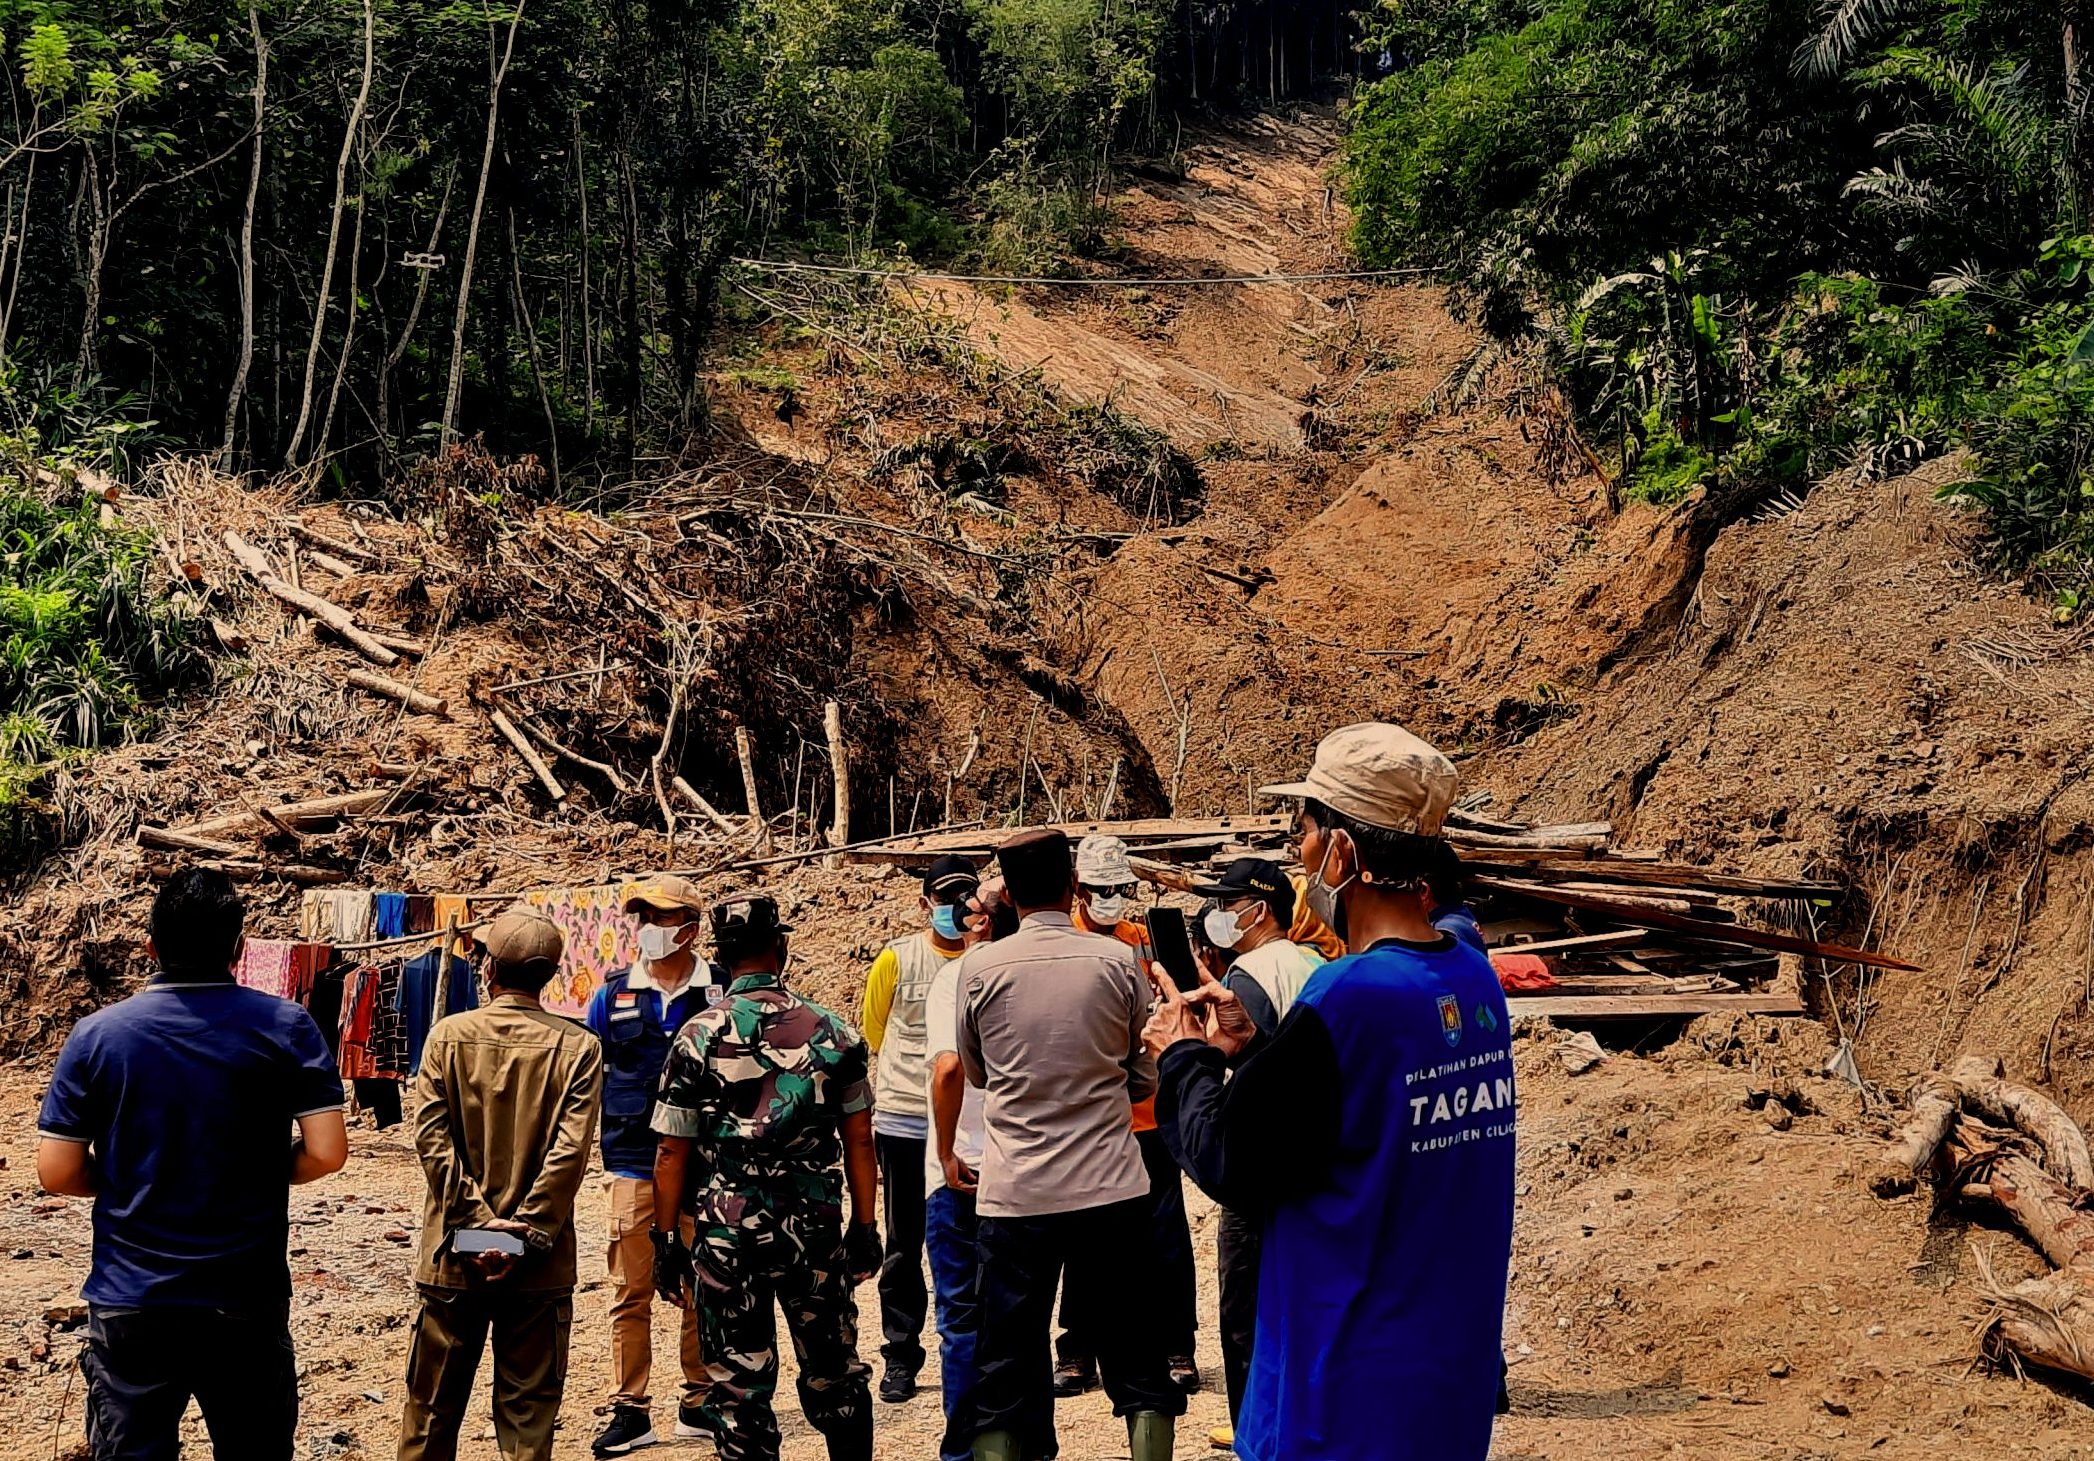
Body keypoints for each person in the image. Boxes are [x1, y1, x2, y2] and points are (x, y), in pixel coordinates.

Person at [1149, 723, 1516, 1461]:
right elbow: (1359, 1115)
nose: (1300, 853)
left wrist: (1184, 1056)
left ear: (1343, 852)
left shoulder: (1349, 997)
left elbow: (1232, 1160)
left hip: (1343, 1394)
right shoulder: (1473, 979)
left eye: (1306, 830)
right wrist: (1258, 1048)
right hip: (1445, 1386)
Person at [36, 867, 349, 1461]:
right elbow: (327, 1152)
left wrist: (130, 1177)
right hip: (245, 1293)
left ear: (150, 946)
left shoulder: (96, 1036)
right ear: (239, 947)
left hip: (132, 1296)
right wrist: (257, 1170)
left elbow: (56, 1172)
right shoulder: (287, 1026)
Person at [956, 827, 1185, 1461]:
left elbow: (976, 1073)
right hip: (1110, 1187)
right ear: (1075, 886)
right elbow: (1144, 1073)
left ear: (1009, 896)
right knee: (1138, 1355)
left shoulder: (978, 967)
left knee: (1004, 1362)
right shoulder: (1116, 961)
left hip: (1015, 1193)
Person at [650, 895, 881, 1461]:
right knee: (835, 1371)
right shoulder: (834, 1032)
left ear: (721, 957)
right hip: (814, 1224)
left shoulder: (697, 1036)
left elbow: (671, 1150)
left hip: (727, 1226)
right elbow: (860, 1140)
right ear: (781, 948)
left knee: (737, 1386)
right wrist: (865, 1226)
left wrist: (665, 1240)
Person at [397, 908, 605, 1461]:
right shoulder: (580, 1048)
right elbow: (571, 1154)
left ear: (488, 969)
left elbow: (431, 1140)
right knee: (528, 1419)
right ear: (551, 975)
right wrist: (522, 1234)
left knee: (430, 1416)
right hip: (539, 1263)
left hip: (453, 1256)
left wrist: (478, 1227)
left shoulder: (447, 1037)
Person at [1183, 858, 1327, 1449]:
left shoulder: (1249, 974)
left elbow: (1253, 1071)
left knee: (1245, 1307)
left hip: (1260, 1166)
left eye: (1227, 904)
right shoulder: (1316, 963)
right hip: (1314, 1160)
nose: (1218, 916)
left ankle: (1253, 1427)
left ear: (1259, 910)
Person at [1054, 835, 1199, 1399]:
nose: (1109, 897)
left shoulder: (1146, 941)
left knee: (1166, 1234)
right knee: (1083, 1237)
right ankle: (1078, 1348)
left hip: (1152, 1113)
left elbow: (1184, 998)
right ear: (1079, 889)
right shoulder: (1063, 943)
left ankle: (1176, 1344)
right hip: (1093, 1113)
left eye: (1118, 887)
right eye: (1100, 888)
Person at [586, 876, 723, 1456]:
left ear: (690, 928)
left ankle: (699, 1400)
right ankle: (630, 1408)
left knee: (702, 1285)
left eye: (659, 918)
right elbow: (591, 1074)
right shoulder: (612, 994)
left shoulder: (721, 991)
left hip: (706, 1164)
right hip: (633, 1161)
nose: (646, 928)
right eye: (641, 917)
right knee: (630, 1290)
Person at [860, 854, 978, 1403]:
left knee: (973, 1240)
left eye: (965, 896)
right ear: (925, 903)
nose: (955, 907)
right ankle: (901, 1354)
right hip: (907, 1119)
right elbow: (875, 1029)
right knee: (903, 1243)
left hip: (970, 1128)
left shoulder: (987, 960)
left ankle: (977, 1348)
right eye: (945, 898)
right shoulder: (897, 958)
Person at [921, 873, 1009, 1461]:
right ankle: (1027, 1443)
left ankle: (964, 1451)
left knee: (960, 1319)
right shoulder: (1047, 971)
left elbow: (948, 1067)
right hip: (1024, 1167)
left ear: (980, 921)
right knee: (1018, 1317)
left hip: (964, 1169)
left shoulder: (956, 977)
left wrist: (947, 1149)